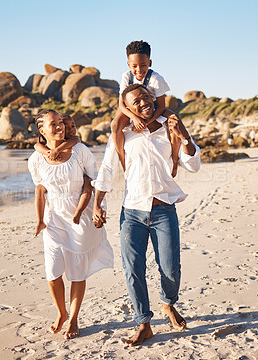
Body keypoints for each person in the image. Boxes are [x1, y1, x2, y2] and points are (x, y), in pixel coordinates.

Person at [93, 84, 201, 346]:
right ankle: (144, 323)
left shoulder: (169, 128)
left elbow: (193, 164)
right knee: (133, 269)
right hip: (132, 211)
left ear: (154, 98)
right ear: (127, 108)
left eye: (146, 97)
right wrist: (98, 204)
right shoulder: (123, 134)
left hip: (164, 208)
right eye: (135, 101)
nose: (143, 103)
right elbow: (107, 168)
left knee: (171, 269)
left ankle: (168, 303)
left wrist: (184, 134)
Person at [28, 109, 114, 339]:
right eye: (53, 124)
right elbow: (40, 189)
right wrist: (39, 220)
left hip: (79, 219)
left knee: (77, 272)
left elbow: (95, 181)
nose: (59, 127)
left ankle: (73, 318)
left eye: (60, 123)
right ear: (41, 129)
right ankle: (61, 312)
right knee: (52, 271)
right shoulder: (35, 159)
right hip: (53, 218)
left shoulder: (80, 151)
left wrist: (98, 208)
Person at [111, 40, 180, 176]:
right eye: (134, 66)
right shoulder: (126, 76)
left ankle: (175, 161)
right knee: (115, 125)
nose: (138, 70)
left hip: (152, 107)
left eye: (143, 65)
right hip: (133, 109)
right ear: (128, 64)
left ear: (150, 63)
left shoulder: (156, 79)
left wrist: (146, 123)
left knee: (174, 120)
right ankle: (124, 164)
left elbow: (161, 106)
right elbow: (121, 105)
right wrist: (135, 118)